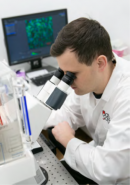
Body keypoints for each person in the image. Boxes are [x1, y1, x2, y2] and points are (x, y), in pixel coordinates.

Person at [44, 17, 130, 185]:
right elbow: (66, 114)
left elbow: (108, 169)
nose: (67, 81)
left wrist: (69, 140)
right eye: (64, 73)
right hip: (97, 160)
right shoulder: (89, 82)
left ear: (100, 63)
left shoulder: (126, 96)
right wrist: (26, 117)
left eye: (72, 75)